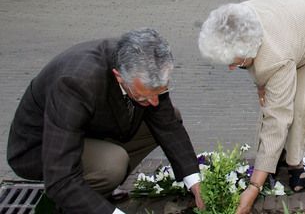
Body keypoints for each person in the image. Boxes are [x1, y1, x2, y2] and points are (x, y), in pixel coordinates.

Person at [7, 28, 204, 213]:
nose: (154, 102)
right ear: (120, 77)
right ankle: (72, 201)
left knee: (169, 116)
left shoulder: (143, 63)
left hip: (88, 130)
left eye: (159, 92)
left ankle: (94, 191)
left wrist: (195, 183)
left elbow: (168, 124)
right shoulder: (75, 83)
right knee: (112, 164)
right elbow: (61, 175)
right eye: (143, 97)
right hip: (40, 148)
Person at [198, 0, 305, 214]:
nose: (230, 67)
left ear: (249, 50)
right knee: (272, 97)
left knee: (298, 106)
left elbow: (277, 118)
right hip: (294, 17)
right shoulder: (237, 19)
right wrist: (261, 85)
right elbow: (258, 68)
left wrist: (253, 187)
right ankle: (270, 158)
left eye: (234, 62)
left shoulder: (275, 56)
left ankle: (294, 163)